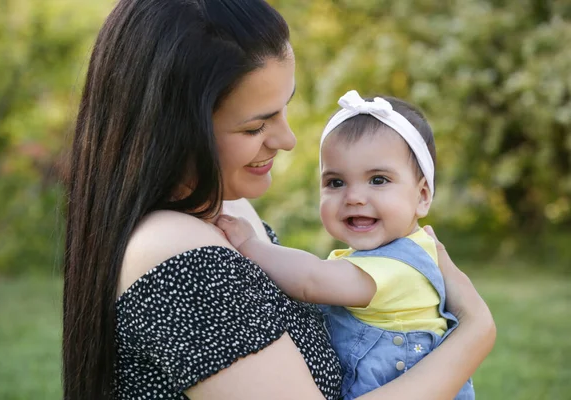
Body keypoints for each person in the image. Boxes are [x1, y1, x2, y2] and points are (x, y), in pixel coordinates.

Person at [62, 1, 496, 399]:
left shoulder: (227, 210)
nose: (288, 140)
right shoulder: (177, 256)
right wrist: (475, 333)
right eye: (256, 127)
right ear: (175, 132)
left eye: (284, 108)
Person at [216, 89, 478, 399]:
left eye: (378, 180)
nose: (354, 197)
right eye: (335, 182)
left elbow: (310, 280)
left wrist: (250, 244)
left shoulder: (401, 267)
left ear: (422, 196)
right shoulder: (375, 258)